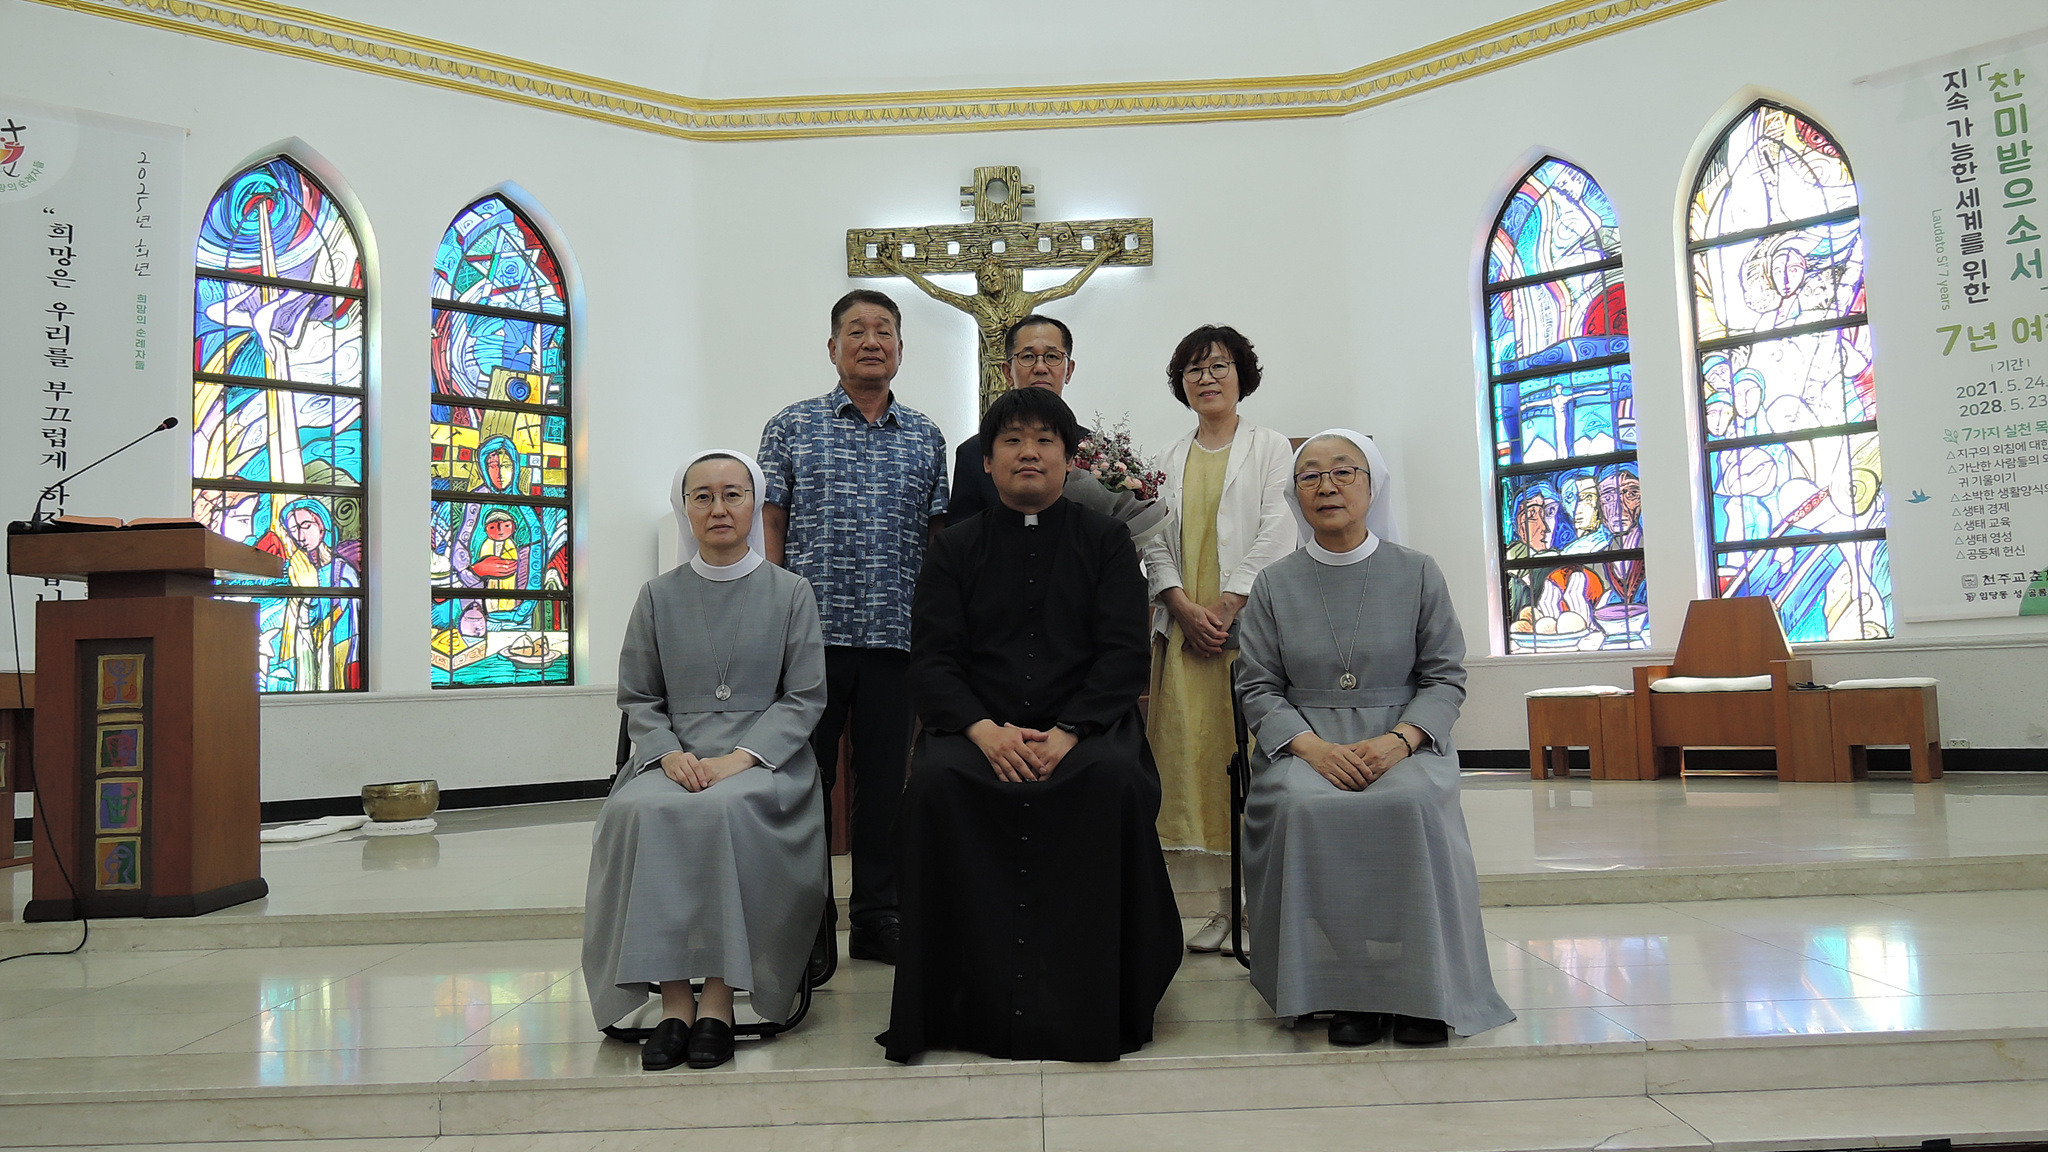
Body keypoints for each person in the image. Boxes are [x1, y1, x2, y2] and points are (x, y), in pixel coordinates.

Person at [880, 387, 1183, 1064]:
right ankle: (956, 1001)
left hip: (1086, 731)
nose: (1029, 453)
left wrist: (1071, 731)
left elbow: (1123, 655)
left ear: (1069, 461)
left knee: (1112, 780)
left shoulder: (1106, 541)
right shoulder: (954, 548)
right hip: (978, 731)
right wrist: (983, 731)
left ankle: (1099, 997)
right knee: (935, 785)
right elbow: (933, 659)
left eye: (1045, 440)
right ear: (987, 462)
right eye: (1012, 440)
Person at [1234, 430, 1513, 1048]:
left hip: (1402, 738)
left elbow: (1444, 676)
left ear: (1371, 484)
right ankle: (1346, 983)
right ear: (1296, 493)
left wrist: (1401, 741)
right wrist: (1313, 749)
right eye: (1310, 475)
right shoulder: (1274, 583)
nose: (1327, 486)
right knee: (1303, 805)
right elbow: (1257, 686)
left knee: (1410, 802)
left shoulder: (1417, 571)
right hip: (1307, 742)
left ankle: (1422, 988)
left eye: (1343, 471)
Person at [583, 450, 829, 1072]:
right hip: (673, 757)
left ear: (754, 503)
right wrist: (668, 755)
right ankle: (675, 1003)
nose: (719, 508)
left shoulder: (791, 592)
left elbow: (804, 697)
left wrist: (739, 759)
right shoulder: (657, 596)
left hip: (766, 761)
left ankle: (717, 1001)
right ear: (685, 509)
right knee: (641, 812)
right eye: (703, 496)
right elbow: (639, 698)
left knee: (725, 810)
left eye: (733, 494)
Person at [759, 290, 949, 968]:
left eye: (884, 330)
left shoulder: (926, 436)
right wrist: (773, 615)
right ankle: (807, 923)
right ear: (833, 347)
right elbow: (772, 523)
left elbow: (936, 539)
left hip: (896, 636)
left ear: (900, 348)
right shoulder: (791, 426)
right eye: (857, 330)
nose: (872, 341)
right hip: (809, 636)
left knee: (885, 786)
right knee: (802, 780)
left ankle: (877, 917)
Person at [1139, 326, 1296, 953]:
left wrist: (1229, 603)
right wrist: (1180, 605)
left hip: (1247, 628)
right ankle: (1225, 907)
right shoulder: (1167, 456)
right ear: (1181, 383)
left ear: (1242, 375)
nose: (1207, 379)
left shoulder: (1271, 447)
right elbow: (1152, 539)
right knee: (1196, 766)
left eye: (1219, 366)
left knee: (1250, 759)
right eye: (1194, 370)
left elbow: (1277, 528)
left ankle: (1263, 907)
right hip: (1186, 634)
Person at [946, 313, 1081, 524]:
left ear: (1069, 371)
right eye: (1027, 357)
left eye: (1052, 357)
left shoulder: (1096, 450)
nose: (1040, 368)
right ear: (1008, 372)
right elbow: (961, 534)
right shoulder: (974, 452)